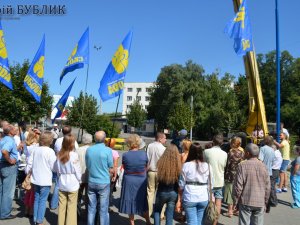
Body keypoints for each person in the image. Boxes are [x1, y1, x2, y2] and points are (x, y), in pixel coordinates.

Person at [233, 143, 270, 225]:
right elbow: (267, 187)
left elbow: (238, 186)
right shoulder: (264, 166)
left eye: (245, 152)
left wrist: (235, 201)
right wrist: (265, 202)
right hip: (260, 201)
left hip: (246, 201)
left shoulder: (242, 166)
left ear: (248, 153)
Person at [119, 134, 151, 225]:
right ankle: (148, 221)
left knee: (129, 200)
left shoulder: (125, 155)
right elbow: (147, 167)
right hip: (141, 179)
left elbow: (124, 167)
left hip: (129, 179)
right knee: (143, 200)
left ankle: (132, 223)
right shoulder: (144, 154)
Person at [26, 131, 56, 225]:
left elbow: (29, 164)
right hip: (45, 180)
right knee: (42, 201)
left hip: (35, 179)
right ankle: (39, 221)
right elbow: (53, 167)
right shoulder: (50, 151)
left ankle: (35, 219)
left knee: (37, 199)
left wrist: (28, 173)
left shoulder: (36, 149)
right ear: (50, 141)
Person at [176, 142, 211, 225]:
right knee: (199, 222)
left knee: (192, 222)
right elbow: (210, 184)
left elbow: (181, 185)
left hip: (190, 196)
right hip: (203, 197)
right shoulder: (207, 165)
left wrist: (179, 199)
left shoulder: (186, 165)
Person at [85, 131, 113, 225]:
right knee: (103, 209)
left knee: (91, 208)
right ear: (104, 139)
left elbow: (87, 165)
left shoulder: (89, 150)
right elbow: (111, 166)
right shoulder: (108, 150)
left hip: (92, 180)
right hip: (103, 182)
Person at [54, 134, 81, 225]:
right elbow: (78, 171)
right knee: (71, 207)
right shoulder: (74, 155)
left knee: (61, 207)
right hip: (72, 182)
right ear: (72, 144)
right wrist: (79, 180)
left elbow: (56, 170)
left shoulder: (58, 155)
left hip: (62, 181)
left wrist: (60, 176)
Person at [51, 125, 79, 210]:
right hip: (69, 162)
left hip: (59, 161)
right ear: (70, 132)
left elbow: (56, 151)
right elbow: (76, 151)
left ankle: (54, 204)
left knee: (58, 184)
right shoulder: (73, 141)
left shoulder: (58, 141)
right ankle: (64, 204)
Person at [153, 144, 181, 225]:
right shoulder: (178, 166)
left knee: (157, 211)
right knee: (169, 214)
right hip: (173, 192)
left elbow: (158, 178)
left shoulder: (161, 163)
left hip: (162, 191)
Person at [203, 134, 227, 225]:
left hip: (208, 181)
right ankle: (215, 222)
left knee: (207, 201)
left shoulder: (206, 151)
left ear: (213, 141)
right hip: (220, 180)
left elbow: (204, 164)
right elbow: (224, 166)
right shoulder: (225, 154)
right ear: (222, 143)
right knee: (218, 201)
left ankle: (205, 220)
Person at [0, 124, 18, 220]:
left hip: (2, 165)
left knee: (1, 190)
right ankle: (5, 214)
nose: (16, 129)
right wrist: (10, 160)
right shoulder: (9, 140)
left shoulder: (3, 139)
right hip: (8, 166)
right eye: (14, 128)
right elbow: (4, 151)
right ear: (10, 131)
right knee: (8, 192)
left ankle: (2, 211)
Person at [223, 137, 244, 218]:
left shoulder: (230, 152)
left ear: (233, 144)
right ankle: (236, 209)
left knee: (229, 193)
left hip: (230, 176)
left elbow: (227, 164)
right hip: (239, 175)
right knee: (238, 192)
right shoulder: (242, 152)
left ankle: (230, 211)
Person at [146, 132, 166, 217]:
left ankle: (149, 212)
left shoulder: (149, 146)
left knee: (150, 193)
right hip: (160, 172)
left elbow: (146, 159)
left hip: (150, 171)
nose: (165, 140)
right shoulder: (163, 148)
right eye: (164, 138)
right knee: (161, 192)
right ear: (160, 139)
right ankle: (161, 213)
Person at [24, 130, 40, 218]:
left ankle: (26, 209)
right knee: (33, 193)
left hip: (27, 170)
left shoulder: (27, 146)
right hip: (33, 170)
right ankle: (31, 211)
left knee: (28, 192)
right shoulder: (35, 147)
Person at [76, 133, 92, 215]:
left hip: (79, 176)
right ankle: (88, 214)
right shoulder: (92, 150)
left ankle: (77, 214)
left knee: (78, 196)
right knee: (89, 197)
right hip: (89, 176)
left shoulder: (78, 149)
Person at [258, 135, 275, 212]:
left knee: (261, 189)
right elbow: (273, 161)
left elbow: (260, 160)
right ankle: (267, 206)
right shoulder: (272, 150)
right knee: (268, 189)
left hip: (262, 171)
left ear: (265, 141)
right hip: (270, 172)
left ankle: (260, 205)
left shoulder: (262, 149)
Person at [105, 138, 120, 211]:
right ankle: (106, 207)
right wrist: (115, 175)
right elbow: (115, 165)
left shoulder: (104, 150)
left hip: (103, 172)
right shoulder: (115, 152)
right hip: (110, 173)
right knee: (109, 191)